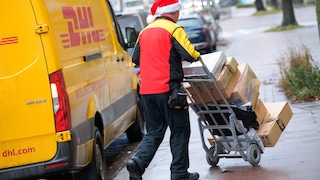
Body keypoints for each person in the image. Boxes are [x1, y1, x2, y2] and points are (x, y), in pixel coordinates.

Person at [126, 0, 201, 179]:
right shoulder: (174, 29)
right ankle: (179, 173)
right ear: (174, 12)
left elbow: (135, 58)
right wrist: (198, 56)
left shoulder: (144, 31)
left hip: (146, 92)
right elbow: (190, 54)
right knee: (180, 130)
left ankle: (137, 162)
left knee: (154, 131)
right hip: (169, 91)